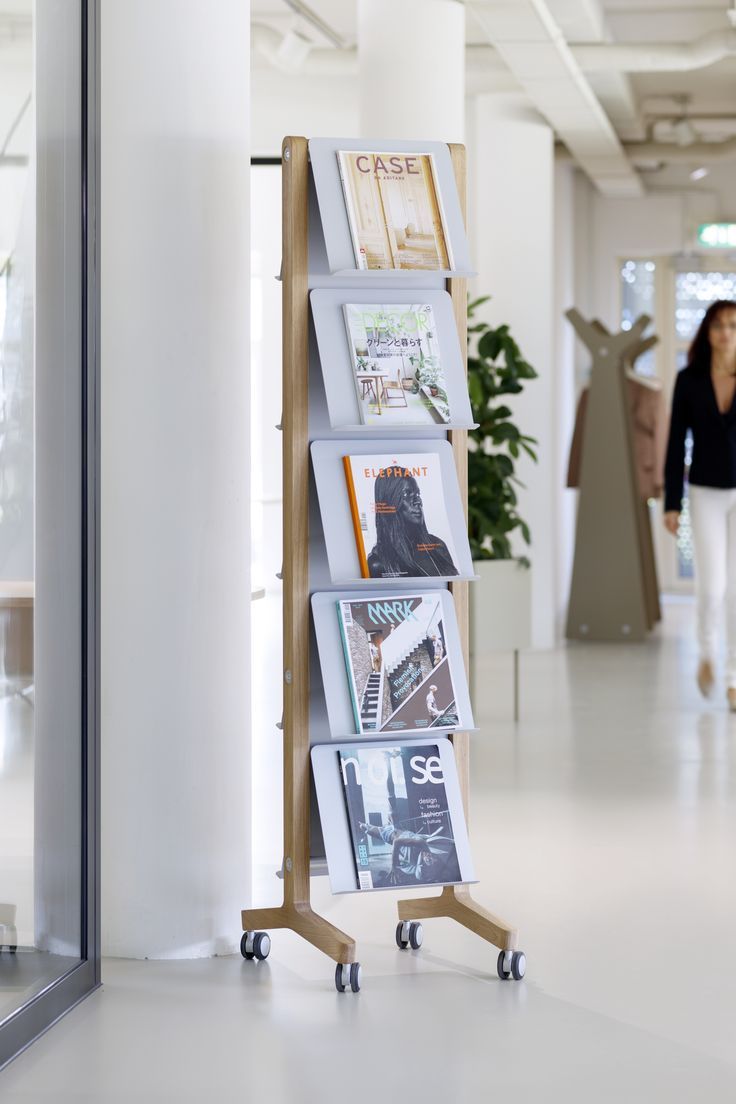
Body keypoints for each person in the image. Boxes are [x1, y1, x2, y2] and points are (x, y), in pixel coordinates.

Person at [664, 299, 736, 708]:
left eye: (733, 325)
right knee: (711, 588)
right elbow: (675, 444)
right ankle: (707, 656)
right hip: (706, 491)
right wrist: (672, 503)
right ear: (708, 333)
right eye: (719, 325)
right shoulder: (689, 380)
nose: (726, 332)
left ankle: (733, 678)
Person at [366, 473, 458, 578]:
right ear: (390, 501)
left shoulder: (438, 546)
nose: (418, 501)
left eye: (417, 494)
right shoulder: (378, 563)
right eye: (406, 494)